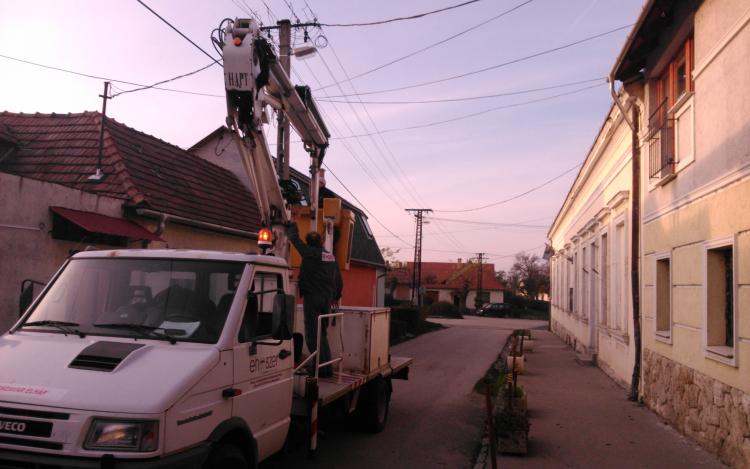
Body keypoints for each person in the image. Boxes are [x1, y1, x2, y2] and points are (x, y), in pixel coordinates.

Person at [288, 206, 343, 378]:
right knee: (322, 334)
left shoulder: (310, 254)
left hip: (313, 299)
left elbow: (293, 239)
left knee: (312, 336)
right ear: (320, 242)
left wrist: (295, 221)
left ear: (310, 244)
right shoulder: (330, 257)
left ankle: (320, 370)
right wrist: (337, 296)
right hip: (327, 299)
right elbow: (338, 278)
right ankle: (326, 370)